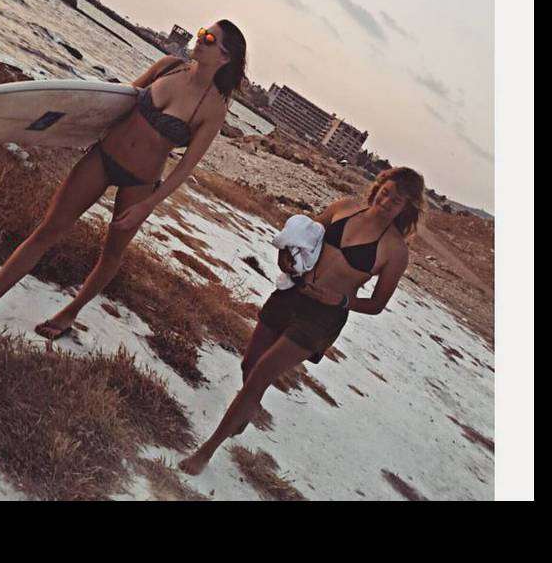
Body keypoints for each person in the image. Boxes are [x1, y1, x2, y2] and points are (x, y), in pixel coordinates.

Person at [0, 21, 247, 339]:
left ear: (224, 57)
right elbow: (113, 103)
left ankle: (69, 314)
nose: (200, 39)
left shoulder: (213, 109)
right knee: (48, 229)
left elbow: (185, 167)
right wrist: (64, 129)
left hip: (140, 182)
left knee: (111, 253)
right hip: (102, 157)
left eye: (209, 38)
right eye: (201, 33)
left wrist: (147, 205)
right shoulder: (168, 67)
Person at [178, 166, 425, 475]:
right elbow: (302, 238)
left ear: (406, 207)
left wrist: (341, 300)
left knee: (260, 375)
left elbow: (377, 304)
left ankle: (206, 451)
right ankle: (245, 409)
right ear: (378, 187)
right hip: (292, 293)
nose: (386, 202)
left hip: (321, 318)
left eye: (396, 201)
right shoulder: (344, 208)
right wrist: (285, 256)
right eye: (385, 193)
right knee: (249, 365)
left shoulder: (395, 250)